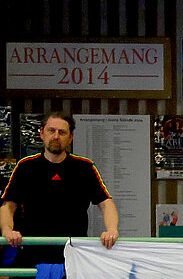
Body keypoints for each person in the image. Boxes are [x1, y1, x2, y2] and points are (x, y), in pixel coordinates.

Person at [0, 112, 120, 265]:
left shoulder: (85, 168)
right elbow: (8, 205)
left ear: (70, 137)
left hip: (73, 255)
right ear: (42, 133)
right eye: (51, 131)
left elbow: (106, 203)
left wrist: (111, 230)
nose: (56, 136)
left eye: (62, 132)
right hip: (33, 254)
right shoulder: (25, 167)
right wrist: (7, 230)